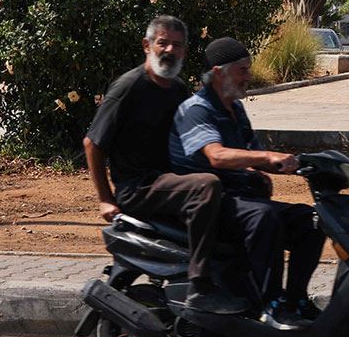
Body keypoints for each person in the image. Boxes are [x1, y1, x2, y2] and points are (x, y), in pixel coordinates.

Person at [82, 16, 249, 315]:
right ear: (147, 46)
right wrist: (105, 199)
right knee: (206, 185)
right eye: (163, 43)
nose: (169, 50)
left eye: (177, 45)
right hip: (138, 187)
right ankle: (200, 287)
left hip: (170, 181)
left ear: (185, 51)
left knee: (240, 191)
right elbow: (92, 144)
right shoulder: (129, 87)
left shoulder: (177, 89)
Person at [170, 37, 325, 330]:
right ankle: (269, 304)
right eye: (242, 70)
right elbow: (216, 155)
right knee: (265, 217)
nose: (248, 76)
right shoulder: (196, 109)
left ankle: (296, 300)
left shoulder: (235, 110)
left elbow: (257, 157)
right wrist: (266, 155)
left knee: (312, 221)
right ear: (219, 73)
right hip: (211, 203)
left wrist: (303, 164)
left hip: (240, 199)